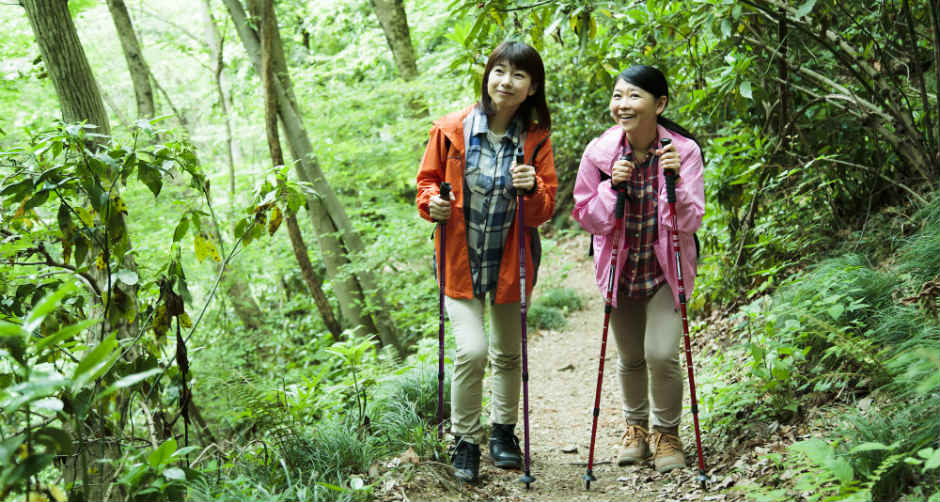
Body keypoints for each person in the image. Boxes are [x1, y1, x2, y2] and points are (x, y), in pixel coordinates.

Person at [415, 40, 557, 483]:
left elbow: (543, 210)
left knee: (508, 354)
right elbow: (427, 185)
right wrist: (431, 205)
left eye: (518, 75)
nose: (506, 81)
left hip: (510, 262)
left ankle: (502, 433)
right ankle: (464, 438)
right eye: (500, 71)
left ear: (532, 88)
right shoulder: (451, 129)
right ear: (487, 75)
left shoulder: (535, 141)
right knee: (472, 350)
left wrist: (531, 188)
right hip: (459, 259)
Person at [571, 64, 705, 473]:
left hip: (667, 270)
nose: (622, 105)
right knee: (631, 358)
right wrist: (613, 187)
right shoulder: (600, 155)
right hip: (621, 269)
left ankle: (667, 433)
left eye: (633, 96)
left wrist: (674, 180)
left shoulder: (684, 152)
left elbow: (692, 218)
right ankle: (636, 429)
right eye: (617, 96)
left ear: (659, 103)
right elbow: (586, 217)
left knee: (661, 353)